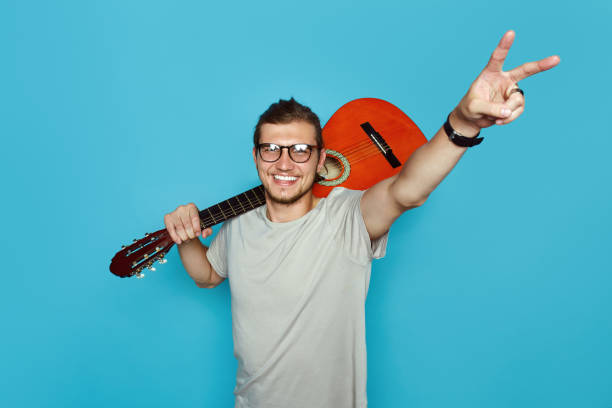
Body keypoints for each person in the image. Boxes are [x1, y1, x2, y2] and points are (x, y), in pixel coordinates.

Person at [163, 30, 560, 408]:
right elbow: (207, 276)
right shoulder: (239, 225)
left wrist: (463, 122)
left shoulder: (348, 216)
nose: (284, 162)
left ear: (321, 159)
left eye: (300, 150)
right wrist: (186, 236)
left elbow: (409, 189)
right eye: (271, 149)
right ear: (256, 157)